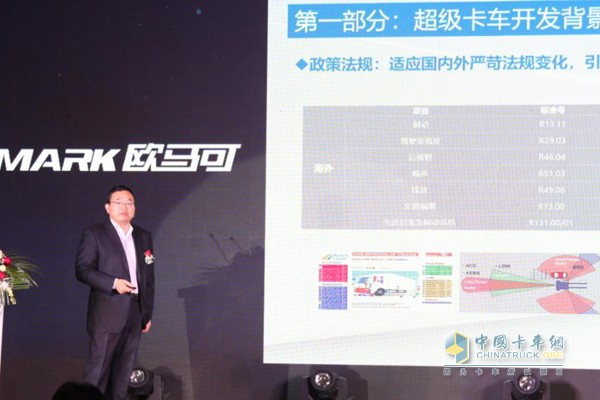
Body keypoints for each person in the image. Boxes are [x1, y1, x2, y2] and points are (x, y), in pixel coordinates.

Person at [76, 185, 155, 400]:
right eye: (118, 202)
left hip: (134, 313)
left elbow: (148, 277)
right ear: (108, 208)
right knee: (97, 375)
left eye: (129, 203)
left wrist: (146, 313)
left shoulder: (143, 236)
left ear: (135, 209)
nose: (124, 207)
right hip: (106, 313)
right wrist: (113, 283)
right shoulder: (95, 234)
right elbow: (83, 270)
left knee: (122, 377)